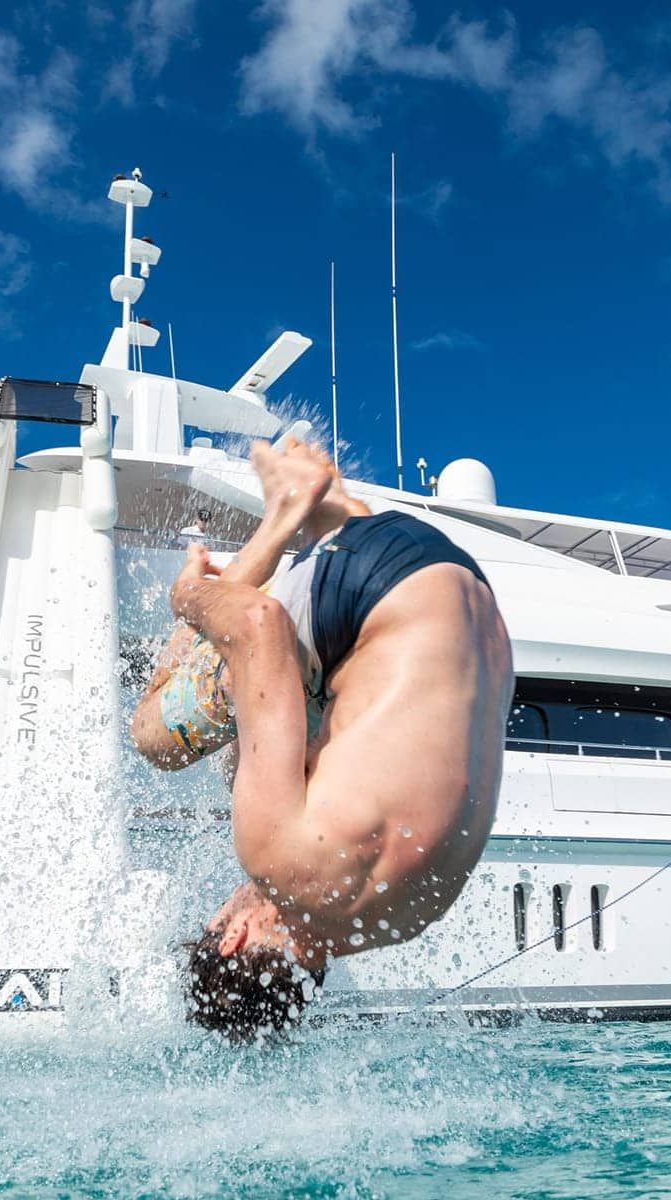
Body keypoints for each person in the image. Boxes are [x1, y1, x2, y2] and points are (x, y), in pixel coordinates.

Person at [130, 439, 513, 1040]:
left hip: (466, 592)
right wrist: (192, 599)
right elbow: (259, 625)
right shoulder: (280, 866)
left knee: (261, 753)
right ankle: (286, 514)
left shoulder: (403, 922)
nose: (225, 901)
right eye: (217, 917)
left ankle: (331, 510)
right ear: (232, 937)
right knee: (155, 738)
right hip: (375, 588)